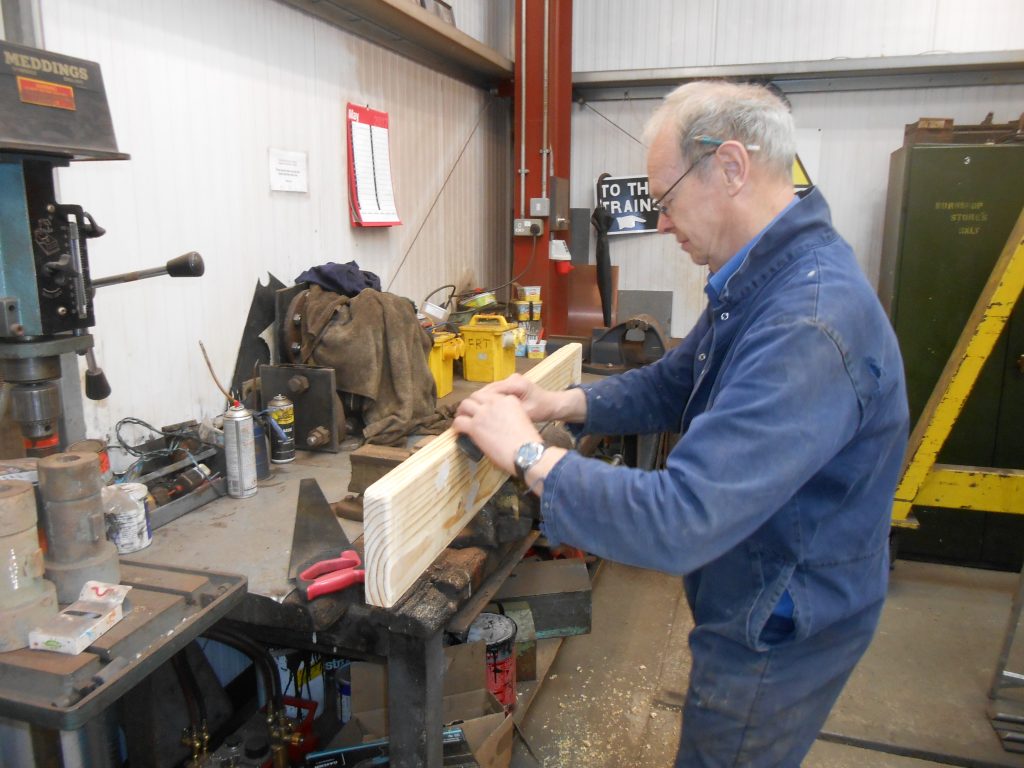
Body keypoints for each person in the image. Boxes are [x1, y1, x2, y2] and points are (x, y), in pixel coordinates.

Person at [453, 80, 909, 767]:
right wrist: (563, 404)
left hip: (781, 617)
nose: (661, 223)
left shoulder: (805, 321)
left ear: (730, 167)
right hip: (761, 576)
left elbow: (680, 520)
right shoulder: (763, 277)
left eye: (665, 199)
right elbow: (679, 376)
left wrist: (527, 455)